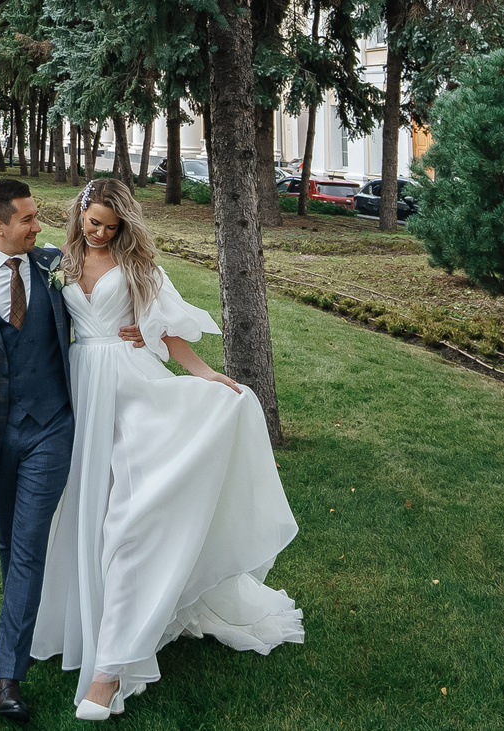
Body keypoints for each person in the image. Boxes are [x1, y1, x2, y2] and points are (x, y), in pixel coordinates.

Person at [33, 177, 302, 721]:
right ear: (80, 215)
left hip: (133, 391)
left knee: (130, 522)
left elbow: (171, 335)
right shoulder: (56, 262)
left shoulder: (140, 269)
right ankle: (80, 625)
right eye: (94, 224)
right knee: (88, 510)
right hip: (81, 391)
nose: (102, 234)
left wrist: (207, 375)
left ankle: (110, 671)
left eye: (112, 226)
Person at [0, 179, 146, 723]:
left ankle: (7, 680)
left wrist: (141, 331)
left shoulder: (54, 266)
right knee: (8, 546)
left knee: (26, 546)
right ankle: (24, 627)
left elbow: (117, 254)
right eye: (26, 218)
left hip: (51, 428)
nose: (37, 225)